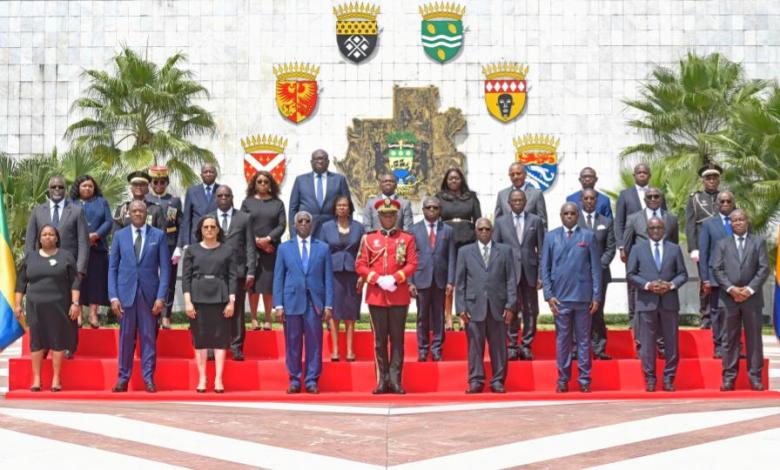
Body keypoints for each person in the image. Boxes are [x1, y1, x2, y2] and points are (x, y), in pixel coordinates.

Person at [355, 199, 418, 394]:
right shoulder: (368, 239)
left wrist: (395, 278)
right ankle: (382, 380)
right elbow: (360, 264)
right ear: (379, 217)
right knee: (379, 341)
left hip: (398, 295)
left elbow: (412, 263)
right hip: (376, 296)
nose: (388, 218)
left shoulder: (406, 239)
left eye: (391, 215)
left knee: (397, 339)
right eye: (384, 215)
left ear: (397, 217)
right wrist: (376, 278)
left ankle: (396, 379)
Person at [108, 201, 170, 393]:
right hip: (125, 295)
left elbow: (166, 270)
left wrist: (161, 297)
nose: (137, 214)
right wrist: (113, 297)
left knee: (148, 338)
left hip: (149, 297)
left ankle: (148, 378)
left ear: (146, 214)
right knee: (125, 339)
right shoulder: (119, 236)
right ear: (128, 213)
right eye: (134, 211)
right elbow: (112, 268)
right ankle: (122, 378)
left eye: (141, 211)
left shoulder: (158, 236)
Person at [541, 203, 602, 393]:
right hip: (560, 299)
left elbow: (596, 269)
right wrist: (549, 295)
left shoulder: (588, 236)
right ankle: (563, 379)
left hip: (583, 298)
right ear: (560, 215)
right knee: (563, 340)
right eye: (565, 213)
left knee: (584, 340)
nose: (569, 216)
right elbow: (545, 268)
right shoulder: (551, 237)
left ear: (578, 215)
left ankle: (584, 379)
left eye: (572, 213)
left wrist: (596, 296)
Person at [273, 211, 334, 394]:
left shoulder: (323, 248)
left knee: (315, 343)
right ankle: (294, 379)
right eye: (300, 221)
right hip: (292, 301)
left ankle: (311, 380)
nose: (304, 224)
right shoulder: (284, 248)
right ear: (294, 225)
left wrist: (328, 305)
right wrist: (278, 305)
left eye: (308, 221)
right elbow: (278, 278)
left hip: (314, 303)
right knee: (292, 342)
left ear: (312, 224)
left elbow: (328, 278)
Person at [14, 225, 80, 392]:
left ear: (57, 238)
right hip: (35, 306)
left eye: (51, 234)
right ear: (40, 238)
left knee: (58, 340)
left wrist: (75, 303)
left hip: (59, 306)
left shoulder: (66, 256)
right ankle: (37, 379)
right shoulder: (31, 257)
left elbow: (75, 282)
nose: (48, 237)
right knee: (36, 341)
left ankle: (56, 378)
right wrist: (17, 305)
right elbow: (21, 283)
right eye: (44, 234)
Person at [626, 217, 688, 392]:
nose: (655, 231)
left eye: (659, 228)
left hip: (669, 302)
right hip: (646, 302)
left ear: (664, 230)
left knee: (671, 343)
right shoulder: (637, 249)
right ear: (647, 230)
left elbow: (682, 274)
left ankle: (669, 378)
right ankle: (650, 378)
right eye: (652, 228)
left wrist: (670, 285)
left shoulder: (674, 249)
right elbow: (630, 275)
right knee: (647, 344)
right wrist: (648, 285)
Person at [456, 218, 516, 393]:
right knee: (475, 347)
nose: (484, 232)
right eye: (480, 229)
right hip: (473, 308)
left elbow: (511, 280)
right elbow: (460, 282)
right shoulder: (465, 252)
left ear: (492, 231)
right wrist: (460, 308)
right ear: (475, 231)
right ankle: (476, 381)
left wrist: (511, 305)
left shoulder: (505, 251)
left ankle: (497, 381)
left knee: (498, 347)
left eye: (487, 229)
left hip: (498, 307)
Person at [712, 209, 770, 392]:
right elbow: (717, 269)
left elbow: (763, 268)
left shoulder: (758, 242)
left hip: (752, 299)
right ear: (730, 223)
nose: (737, 222)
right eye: (734, 220)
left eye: (741, 219)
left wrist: (749, 289)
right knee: (729, 339)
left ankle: (755, 377)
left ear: (747, 221)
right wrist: (731, 289)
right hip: (729, 299)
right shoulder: (722, 244)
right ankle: (729, 378)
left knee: (754, 339)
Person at [182, 215, 237, 393]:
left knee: (220, 340)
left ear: (218, 230)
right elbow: (186, 279)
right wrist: (187, 302)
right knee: (201, 340)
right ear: (201, 230)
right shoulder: (191, 250)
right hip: (198, 299)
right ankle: (202, 378)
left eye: (213, 227)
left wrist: (232, 301)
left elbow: (232, 277)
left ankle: (218, 379)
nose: (209, 230)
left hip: (220, 299)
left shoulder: (227, 250)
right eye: (206, 227)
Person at [492, 189, 544, 360]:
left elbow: (542, 250)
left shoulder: (535, 221)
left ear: (525, 201)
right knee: (510, 309)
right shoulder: (500, 222)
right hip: (509, 273)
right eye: (514, 201)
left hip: (530, 271)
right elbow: (496, 250)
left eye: (521, 200)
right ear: (509, 203)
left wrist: (541, 275)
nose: (517, 203)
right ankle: (512, 345)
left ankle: (527, 344)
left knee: (531, 310)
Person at [210, 185, 255, 361]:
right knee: (214, 310)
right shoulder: (209, 218)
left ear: (232, 197)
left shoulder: (244, 218)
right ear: (215, 198)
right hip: (214, 272)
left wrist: (251, 270)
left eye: (226, 195)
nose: (223, 198)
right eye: (220, 195)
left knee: (236, 311)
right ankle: (214, 347)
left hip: (238, 272)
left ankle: (236, 346)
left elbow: (251, 246)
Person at [408, 196, 455, 362]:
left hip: (440, 280)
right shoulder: (414, 230)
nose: (432, 210)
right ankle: (422, 349)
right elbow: (410, 258)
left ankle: (436, 349)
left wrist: (451, 281)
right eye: (429, 207)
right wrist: (410, 282)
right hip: (421, 278)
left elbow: (451, 258)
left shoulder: (447, 230)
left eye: (435, 208)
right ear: (423, 210)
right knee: (422, 317)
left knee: (439, 316)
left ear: (440, 210)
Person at [318, 196, 365, 362]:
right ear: (335, 208)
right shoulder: (326, 227)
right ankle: (336, 351)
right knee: (334, 312)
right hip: (333, 273)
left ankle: (350, 350)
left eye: (345, 205)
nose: (342, 208)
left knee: (351, 312)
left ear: (350, 208)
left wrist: (363, 275)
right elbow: (321, 252)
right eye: (339, 205)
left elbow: (364, 252)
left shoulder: (359, 228)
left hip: (354, 274)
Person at [436, 167, 481, 331]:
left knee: (465, 280)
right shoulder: (440, 197)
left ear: (461, 179)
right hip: (447, 241)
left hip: (467, 241)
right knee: (449, 280)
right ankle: (447, 317)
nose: (453, 181)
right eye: (450, 179)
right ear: (446, 181)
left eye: (456, 178)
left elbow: (478, 221)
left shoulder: (471, 197)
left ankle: (463, 315)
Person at [240, 171, 286, 331]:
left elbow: (281, 225)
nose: (263, 184)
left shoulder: (278, 203)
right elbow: (243, 224)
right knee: (252, 286)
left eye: (266, 182)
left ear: (271, 184)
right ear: (254, 183)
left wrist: (268, 239)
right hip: (252, 250)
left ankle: (267, 318)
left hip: (271, 250)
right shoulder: (247, 202)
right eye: (259, 181)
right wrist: (258, 241)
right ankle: (253, 318)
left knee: (268, 285)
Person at [578, 188, 616, 360]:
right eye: (586, 198)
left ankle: (599, 348)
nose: (589, 201)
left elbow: (610, 248)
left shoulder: (606, 222)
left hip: (600, 275)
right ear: (581, 200)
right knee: (579, 312)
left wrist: (597, 267)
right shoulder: (574, 220)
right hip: (578, 276)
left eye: (592, 199)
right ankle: (579, 349)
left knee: (597, 311)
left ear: (596, 201)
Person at [698, 191, 737, 358]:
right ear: (716, 204)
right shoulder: (708, 225)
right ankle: (719, 346)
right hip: (715, 278)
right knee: (717, 313)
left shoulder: (740, 222)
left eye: (729, 201)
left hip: (737, 277)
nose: (726, 204)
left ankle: (735, 346)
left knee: (736, 313)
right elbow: (704, 253)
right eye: (722, 201)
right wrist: (705, 278)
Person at [25, 175, 89, 277]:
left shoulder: (77, 211)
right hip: (41, 267)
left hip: (68, 269)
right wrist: (29, 265)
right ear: (48, 189)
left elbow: (83, 243)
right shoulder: (37, 211)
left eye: (61, 187)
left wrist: (80, 270)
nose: (57, 189)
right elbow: (29, 241)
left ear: (66, 190)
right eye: (53, 187)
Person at [70, 175, 112, 329]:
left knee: (95, 281)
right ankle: (79, 315)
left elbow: (109, 221)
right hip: (76, 249)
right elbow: (67, 223)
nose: (87, 188)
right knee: (78, 280)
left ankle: (93, 314)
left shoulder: (102, 202)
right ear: (78, 188)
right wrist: (81, 238)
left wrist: (96, 235)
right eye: (84, 186)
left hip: (97, 247)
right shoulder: (71, 203)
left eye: (90, 186)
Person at [686, 163, 723, 329]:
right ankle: (706, 318)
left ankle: (722, 317)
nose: (712, 180)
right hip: (704, 248)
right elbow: (690, 225)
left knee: (724, 282)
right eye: (708, 177)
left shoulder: (725, 197)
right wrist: (693, 247)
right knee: (706, 283)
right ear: (703, 180)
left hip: (723, 248)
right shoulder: (695, 198)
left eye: (715, 177)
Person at [146, 166, 183, 329]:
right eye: (155, 182)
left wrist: (179, 246)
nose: (159, 185)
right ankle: (151, 311)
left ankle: (166, 315)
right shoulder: (146, 200)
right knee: (149, 278)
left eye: (162, 182)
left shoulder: (174, 201)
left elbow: (180, 225)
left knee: (169, 280)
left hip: (169, 244)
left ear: (167, 183)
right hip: (150, 245)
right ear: (151, 184)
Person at [287, 149, 352, 239]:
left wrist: (347, 231)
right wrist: (293, 233)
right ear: (311, 162)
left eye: (323, 159)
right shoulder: (300, 180)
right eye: (317, 159)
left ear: (328, 162)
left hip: (333, 229)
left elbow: (348, 207)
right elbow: (293, 209)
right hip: (307, 229)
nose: (320, 161)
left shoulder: (339, 179)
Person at [493, 162, 548, 229]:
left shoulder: (536, 194)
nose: (515, 177)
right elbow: (497, 221)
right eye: (512, 175)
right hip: (507, 238)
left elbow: (542, 222)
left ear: (525, 175)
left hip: (530, 238)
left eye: (518, 174)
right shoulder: (502, 195)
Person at [178, 163, 220, 250]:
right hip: (196, 239)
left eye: (211, 172)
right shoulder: (192, 191)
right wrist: (186, 242)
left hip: (216, 238)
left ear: (216, 174)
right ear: (201, 175)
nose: (208, 174)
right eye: (205, 172)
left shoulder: (222, 191)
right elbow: (186, 219)